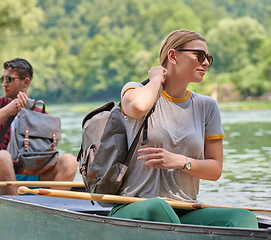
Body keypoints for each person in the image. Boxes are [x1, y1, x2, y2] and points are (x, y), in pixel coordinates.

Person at [108, 30, 258, 228]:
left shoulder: (207, 106)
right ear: (173, 56)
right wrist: (155, 79)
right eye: (200, 56)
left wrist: (180, 161)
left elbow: (214, 170)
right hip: (135, 206)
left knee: (242, 218)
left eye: (208, 58)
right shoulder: (136, 90)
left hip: (185, 210)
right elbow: (138, 108)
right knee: (158, 207)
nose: (205, 63)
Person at [0, 58, 78, 195]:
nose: (4, 84)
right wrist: (6, 111)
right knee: (3, 156)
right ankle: (16, 207)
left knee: (70, 161)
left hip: (31, 173)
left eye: (9, 79)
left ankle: (50, 207)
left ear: (25, 82)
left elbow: (46, 154)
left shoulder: (41, 114)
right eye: (1, 79)